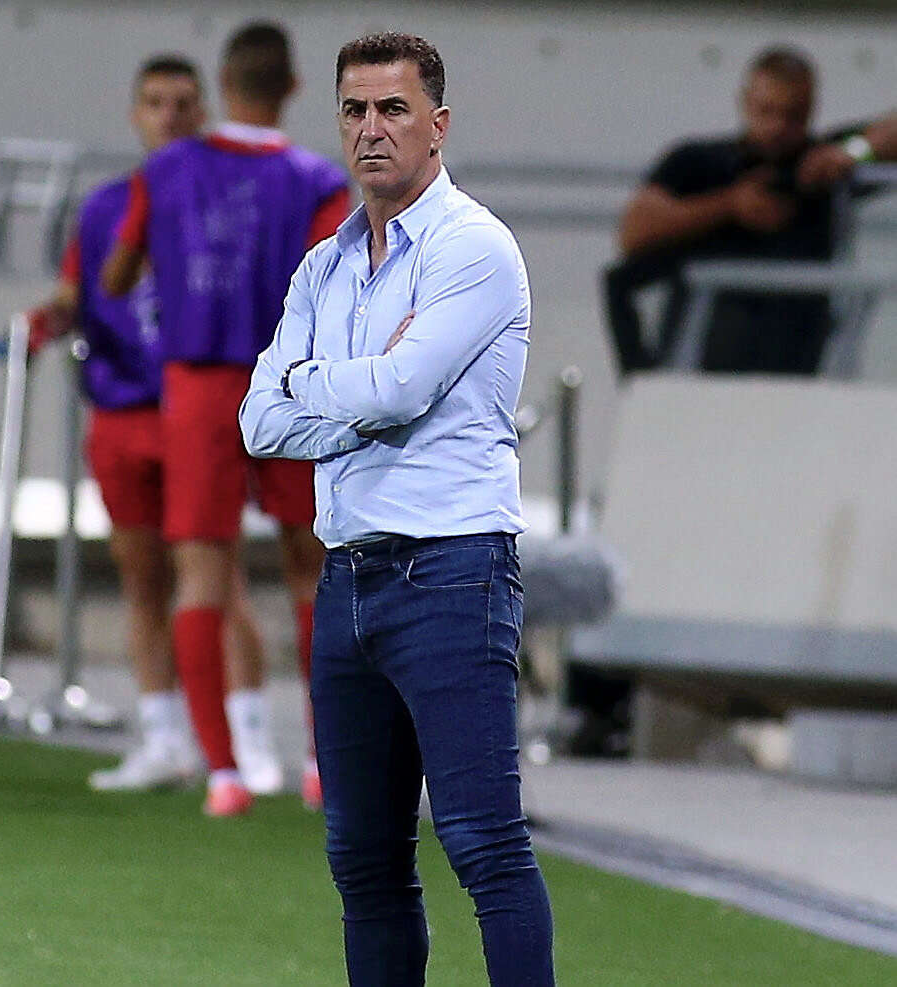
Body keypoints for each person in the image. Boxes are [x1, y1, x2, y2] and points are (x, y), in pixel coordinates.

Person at [240, 32, 555, 986]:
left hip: (452, 571)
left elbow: (401, 389)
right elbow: (258, 422)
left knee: (483, 842)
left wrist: (313, 381)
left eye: (393, 109)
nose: (370, 129)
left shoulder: (475, 248)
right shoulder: (323, 267)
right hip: (347, 577)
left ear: (438, 125)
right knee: (363, 862)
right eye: (354, 110)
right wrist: (360, 386)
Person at [102, 24, 350, 816]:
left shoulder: (166, 170)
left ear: (222, 84)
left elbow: (116, 276)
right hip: (289, 383)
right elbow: (338, 286)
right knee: (313, 566)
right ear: (294, 87)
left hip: (199, 387)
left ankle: (224, 773)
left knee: (201, 573)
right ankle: (322, 763)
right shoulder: (318, 181)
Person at [29, 55, 281, 796]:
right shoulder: (105, 208)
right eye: (154, 102)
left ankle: (247, 738)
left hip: (195, 410)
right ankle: (164, 735)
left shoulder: (227, 197)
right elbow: (76, 291)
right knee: (141, 579)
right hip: (123, 412)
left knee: (216, 576)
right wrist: (47, 319)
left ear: (203, 112)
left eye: (182, 102)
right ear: (135, 114)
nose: (168, 115)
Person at [611, 47, 897, 374]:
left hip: (795, 368)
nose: (778, 126)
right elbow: (635, 231)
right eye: (767, 110)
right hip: (699, 367)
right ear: (745, 102)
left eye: (793, 115)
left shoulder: (821, 165)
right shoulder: (700, 162)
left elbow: (887, 135)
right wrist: (728, 206)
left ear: (810, 109)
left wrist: (854, 153)